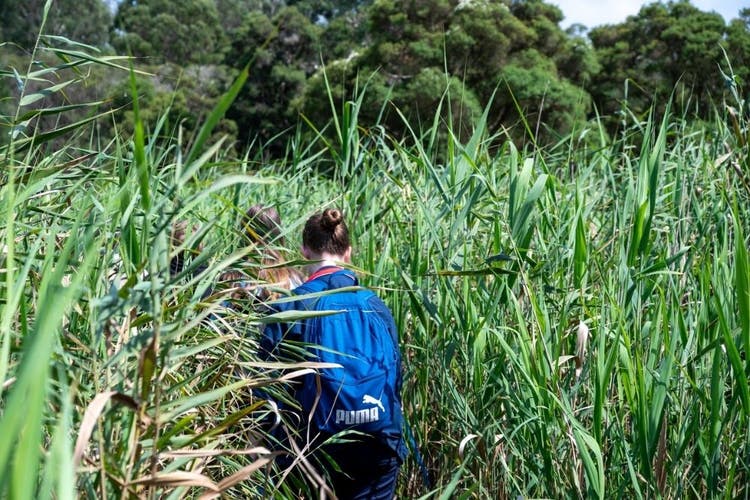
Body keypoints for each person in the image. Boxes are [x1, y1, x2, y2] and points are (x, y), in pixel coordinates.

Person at [260, 208, 406, 499]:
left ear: (303, 250)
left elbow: (267, 395)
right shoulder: (376, 306)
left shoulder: (287, 309)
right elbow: (396, 378)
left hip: (314, 450)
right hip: (378, 441)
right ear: (348, 252)